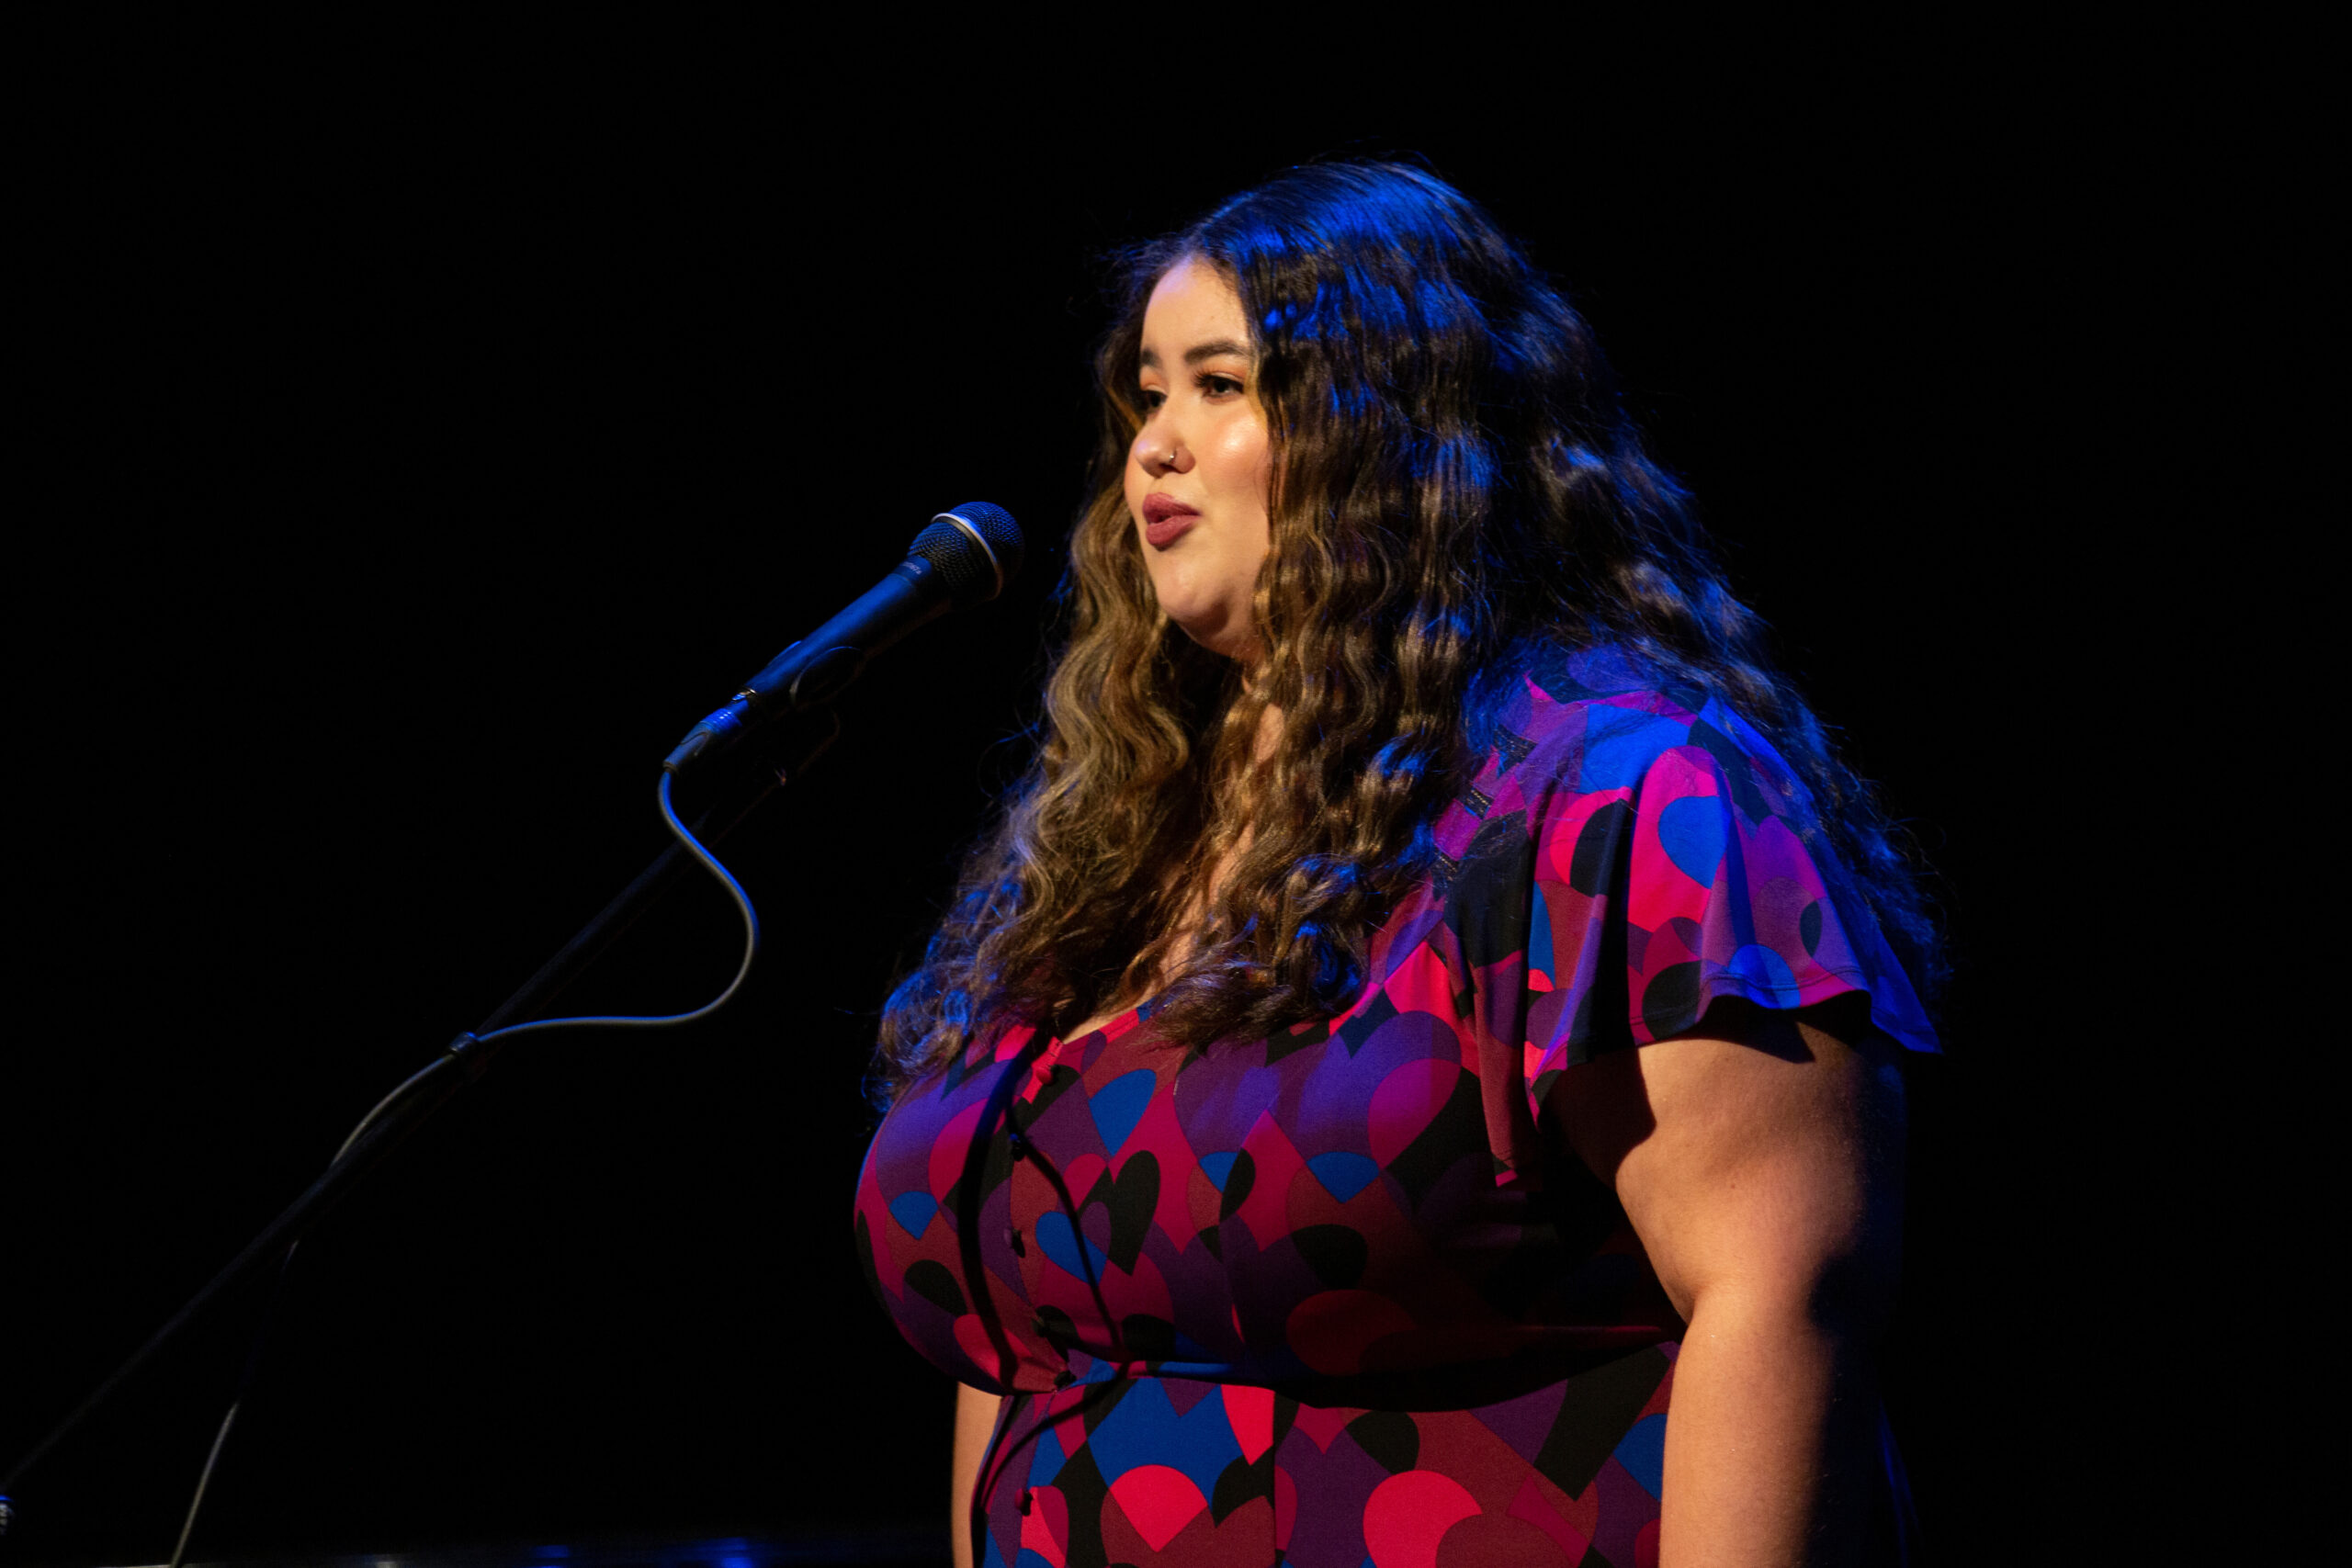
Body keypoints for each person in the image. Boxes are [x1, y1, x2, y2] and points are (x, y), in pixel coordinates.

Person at [854, 162, 1941, 1568]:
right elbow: (1024, 1336)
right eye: (1146, 393)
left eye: (1223, 385)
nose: (1154, 448)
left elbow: (1782, 1284)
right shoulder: (1102, 848)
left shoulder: (1615, 796)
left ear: (1396, 428)